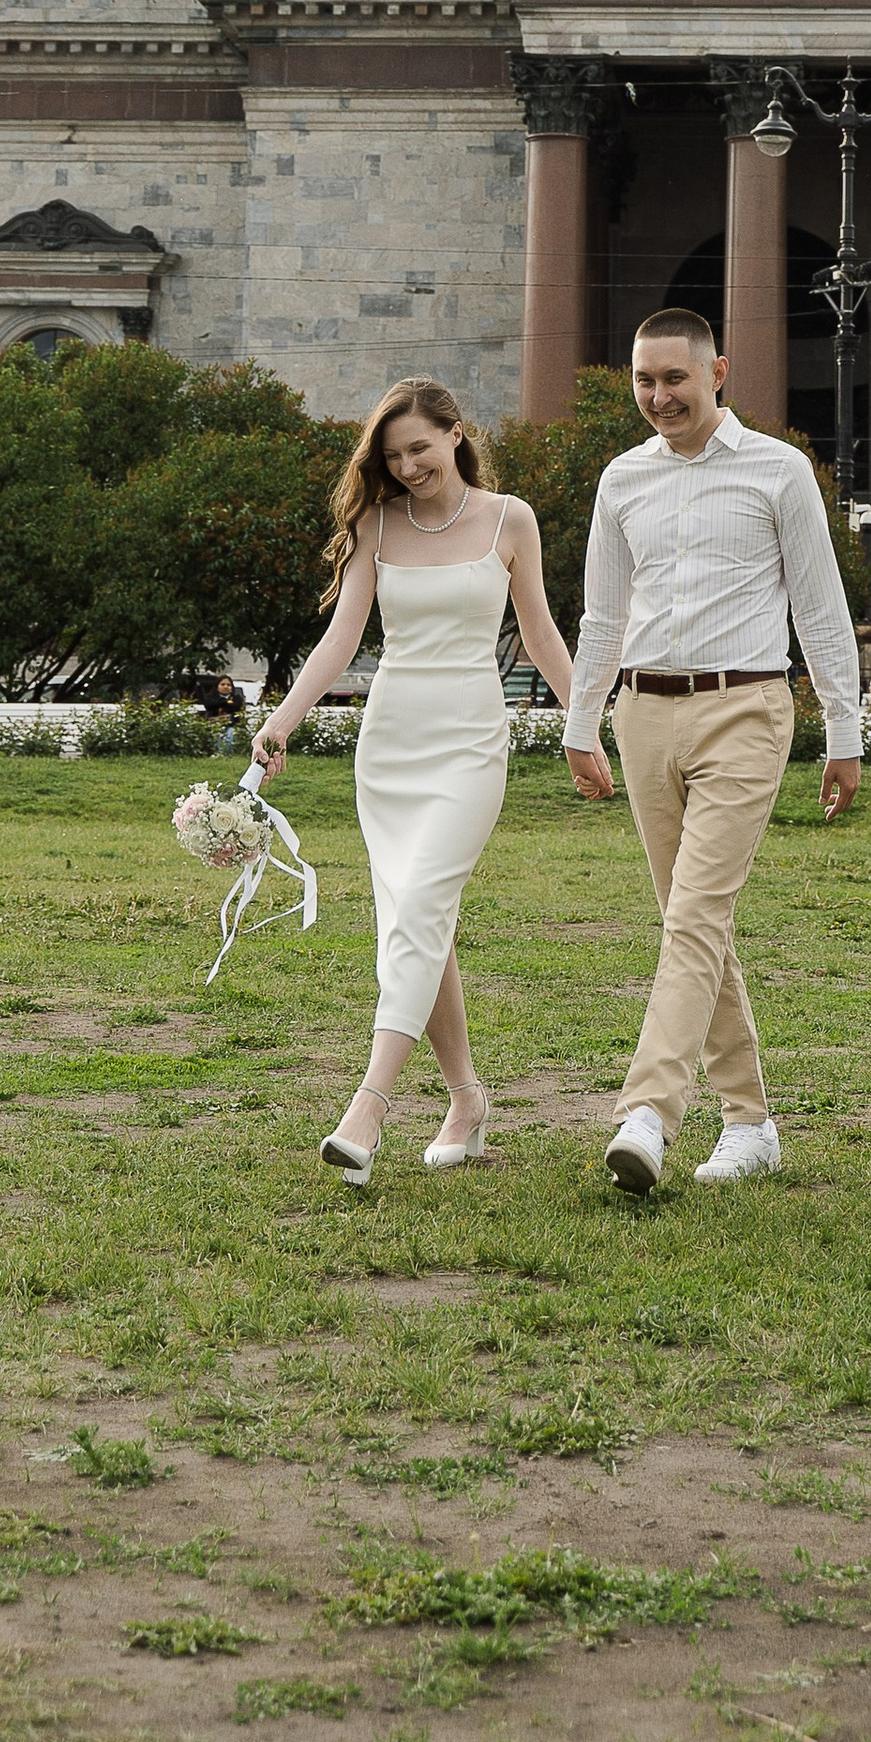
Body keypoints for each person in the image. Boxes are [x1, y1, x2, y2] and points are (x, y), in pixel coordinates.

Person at [567, 308, 862, 1192]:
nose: (659, 397)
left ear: (718, 372)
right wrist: (582, 723)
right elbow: (602, 616)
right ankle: (752, 1123)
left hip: (747, 711)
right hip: (643, 714)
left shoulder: (779, 472)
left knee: (694, 918)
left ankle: (648, 1112)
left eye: (675, 379)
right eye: (644, 381)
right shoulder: (621, 480)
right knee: (693, 924)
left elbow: (819, 607)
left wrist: (844, 732)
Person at [252, 375, 572, 1181]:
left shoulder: (511, 520)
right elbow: (340, 641)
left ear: (456, 435)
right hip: (389, 745)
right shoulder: (375, 524)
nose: (407, 467)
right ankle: (466, 1101)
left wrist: (585, 725)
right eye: (392, 457)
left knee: (421, 907)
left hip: (470, 741)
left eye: (419, 449)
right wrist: (283, 719)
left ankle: (368, 1108)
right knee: (416, 924)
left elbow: (539, 633)